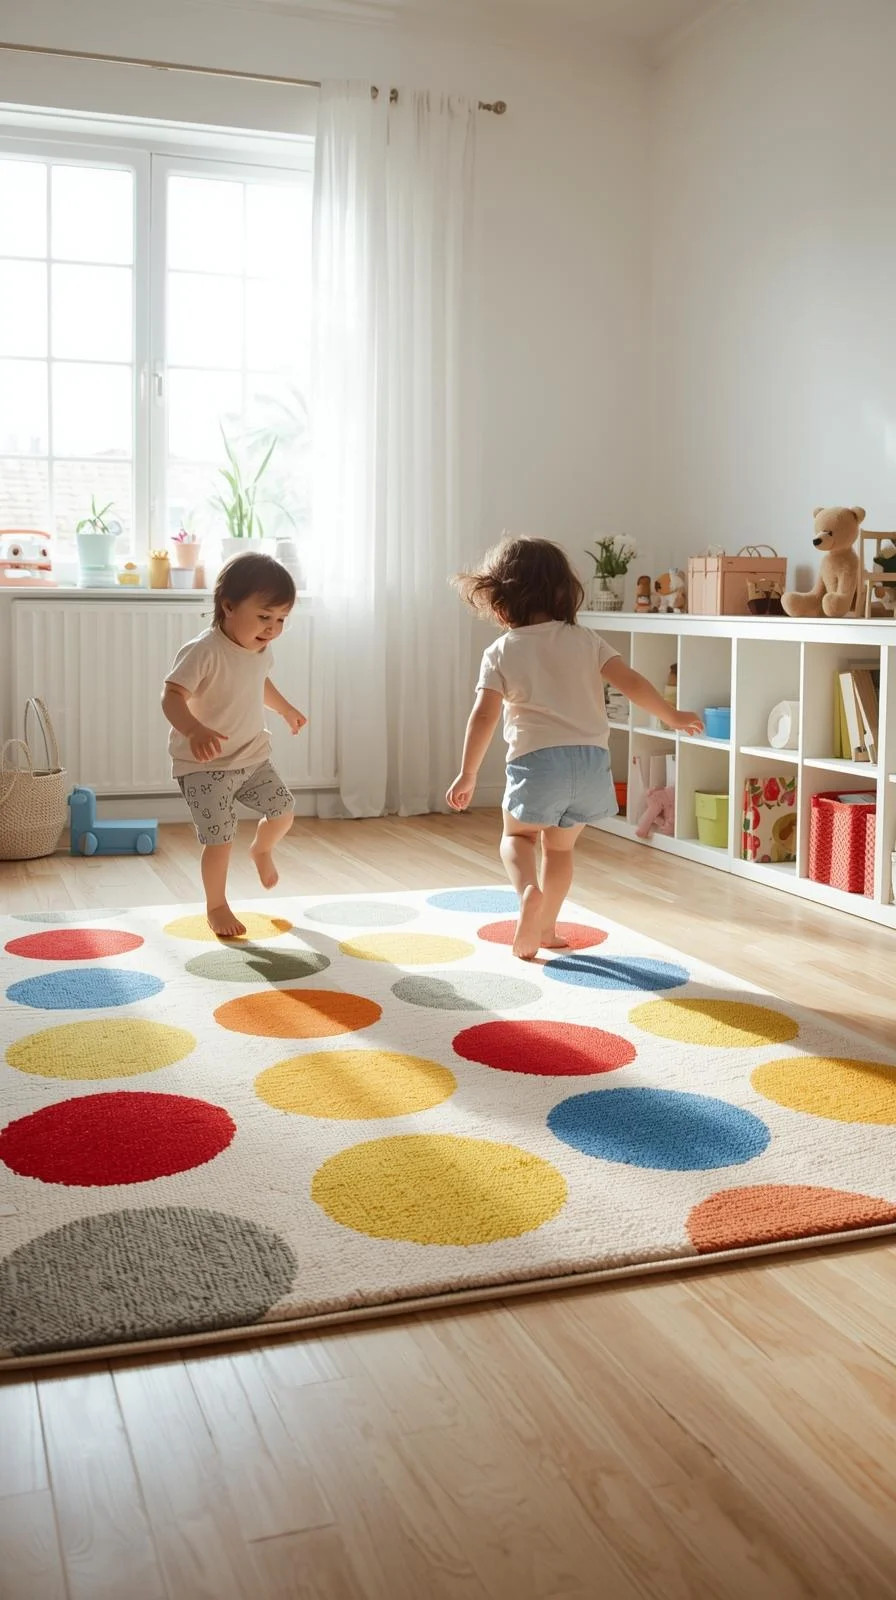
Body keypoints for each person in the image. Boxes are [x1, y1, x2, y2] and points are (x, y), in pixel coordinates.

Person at [446, 536, 703, 959]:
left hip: (537, 762)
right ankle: (547, 927)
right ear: (565, 594)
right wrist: (671, 715)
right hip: (590, 763)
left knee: (518, 837)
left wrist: (469, 772)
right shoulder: (586, 640)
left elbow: (484, 716)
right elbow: (633, 682)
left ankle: (528, 892)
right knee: (560, 849)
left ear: (501, 601)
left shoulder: (501, 651)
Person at [161, 552, 307, 938]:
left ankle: (261, 848)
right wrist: (193, 729)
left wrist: (286, 709)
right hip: (204, 766)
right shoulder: (203, 651)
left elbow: (259, 683)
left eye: (281, 620)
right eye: (264, 617)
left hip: (251, 757)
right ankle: (216, 905)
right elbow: (171, 696)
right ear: (228, 606)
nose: (273, 628)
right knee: (220, 839)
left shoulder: (259, 649)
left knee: (283, 810)